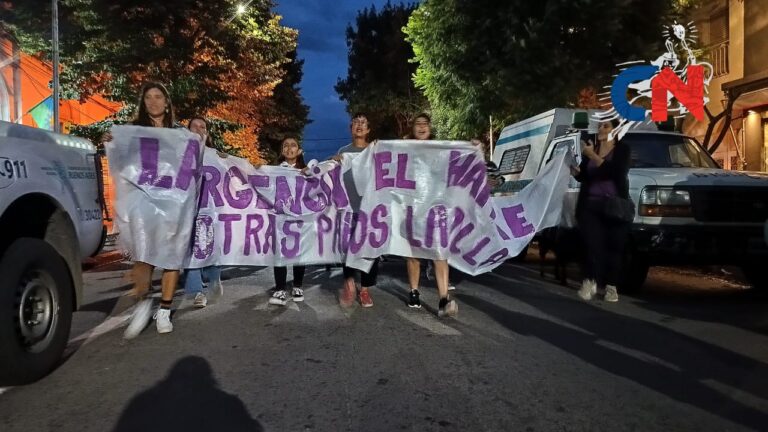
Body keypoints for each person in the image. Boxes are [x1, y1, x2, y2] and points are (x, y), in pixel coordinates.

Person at [121, 82, 184, 337]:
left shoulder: (180, 133)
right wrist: (113, 142)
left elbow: (197, 157)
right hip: (143, 200)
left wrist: (217, 155)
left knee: (171, 254)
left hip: (173, 202)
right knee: (143, 254)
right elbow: (123, 161)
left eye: (158, 96)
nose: (154, 101)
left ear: (167, 102)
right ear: (143, 102)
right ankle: (142, 303)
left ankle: (165, 310)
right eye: (148, 97)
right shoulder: (133, 130)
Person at [402, 113, 458, 317]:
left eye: (426, 123)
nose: (422, 126)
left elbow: (459, 160)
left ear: (430, 128)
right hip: (412, 207)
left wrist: (474, 147)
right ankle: (414, 291)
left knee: (439, 253)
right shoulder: (404, 149)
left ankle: (443, 299)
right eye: (418, 123)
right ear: (412, 128)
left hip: (436, 209)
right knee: (413, 254)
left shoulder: (440, 148)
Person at [572, 119, 632, 303]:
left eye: (606, 126)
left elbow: (616, 172)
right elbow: (584, 175)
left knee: (614, 248)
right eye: (600, 126)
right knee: (591, 245)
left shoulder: (623, 150)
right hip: (590, 206)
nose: (601, 129)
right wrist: (574, 170)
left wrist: (593, 156)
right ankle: (589, 282)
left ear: (616, 131)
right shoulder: (593, 149)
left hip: (615, 207)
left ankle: (611, 287)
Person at [333, 113, 378, 308]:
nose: (359, 125)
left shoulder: (375, 151)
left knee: (371, 249)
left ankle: (365, 289)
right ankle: (349, 282)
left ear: (368, 129)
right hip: (348, 209)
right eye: (356, 123)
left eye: (363, 122)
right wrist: (334, 161)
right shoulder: (343, 152)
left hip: (372, 210)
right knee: (347, 248)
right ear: (351, 129)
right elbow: (332, 174)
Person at [183, 116, 224, 308]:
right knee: (189, 252)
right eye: (194, 126)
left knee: (208, 249)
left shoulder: (216, 156)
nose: (199, 129)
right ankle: (197, 291)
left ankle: (214, 278)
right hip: (184, 212)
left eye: (203, 127)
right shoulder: (179, 153)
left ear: (207, 134)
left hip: (209, 212)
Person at [269, 136, 308, 306]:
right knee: (280, 253)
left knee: (299, 253)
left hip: (301, 218)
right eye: (285, 146)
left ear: (299, 151)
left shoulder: (307, 171)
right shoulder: (273, 170)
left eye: (293, 145)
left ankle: (298, 285)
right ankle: (280, 288)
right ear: (282, 151)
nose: (289, 148)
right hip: (280, 218)